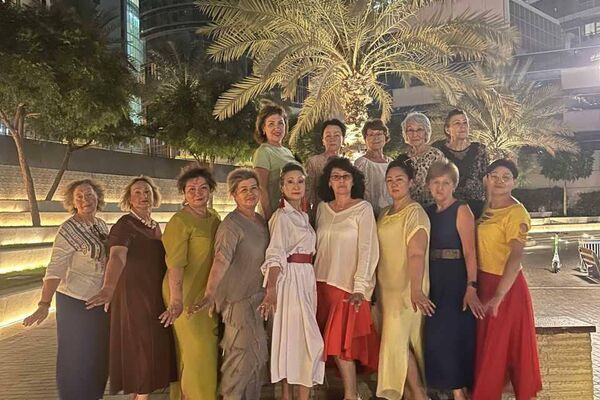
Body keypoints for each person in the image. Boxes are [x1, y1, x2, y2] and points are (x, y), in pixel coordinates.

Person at [86, 176, 176, 400]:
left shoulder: (155, 226)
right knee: (142, 348)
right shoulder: (125, 224)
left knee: (149, 348)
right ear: (129, 198)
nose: (143, 196)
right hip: (133, 295)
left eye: (147, 192)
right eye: (137, 192)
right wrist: (108, 287)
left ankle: (138, 395)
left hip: (154, 294)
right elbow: (117, 256)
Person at [23, 179, 109, 400]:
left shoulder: (101, 224)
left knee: (98, 353)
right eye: (79, 196)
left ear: (97, 197)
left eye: (89, 195)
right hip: (74, 301)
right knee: (76, 355)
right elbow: (55, 267)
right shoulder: (67, 230)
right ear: (72, 202)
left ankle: (94, 395)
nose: (85, 200)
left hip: (98, 300)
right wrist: (44, 304)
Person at [190, 168, 269, 400]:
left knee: (256, 360)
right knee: (239, 360)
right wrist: (210, 293)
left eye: (253, 188)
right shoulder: (231, 225)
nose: (250, 193)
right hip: (237, 302)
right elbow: (221, 259)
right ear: (233, 195)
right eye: (243, 190)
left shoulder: (260, 220)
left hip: (258, 299)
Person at [472, 159, 542, 400]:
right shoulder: (485, 207)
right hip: (483, 284)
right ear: (486, 179)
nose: (499, 181)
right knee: (487, 350)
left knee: (499, 349)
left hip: (505, 289)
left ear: (514, 182)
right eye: (494, 175)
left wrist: (499, 295)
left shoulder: (516, 212)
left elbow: (516, 256)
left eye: (506, 177)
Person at [314, 157, 380, 400]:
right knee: (323, 342)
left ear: (353, 181)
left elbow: (368, 249)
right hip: (321, 283)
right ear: (329, 182)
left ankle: (352, 395)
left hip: (347, 285)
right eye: (336, 177)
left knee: (343, 344)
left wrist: (360, 286)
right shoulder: (322, 209)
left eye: (345, 176)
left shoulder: (363, 208)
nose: (341, 181)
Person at [259, 163, 325, 400]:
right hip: (290, 281)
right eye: (290, 181)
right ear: (282, 187)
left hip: (306, 279)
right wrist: (271, 289)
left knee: (297, 342)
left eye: (300, 181)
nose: (296, 186)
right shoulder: (281, 217)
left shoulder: (304, 216)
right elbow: (275, 254)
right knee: (304, 342)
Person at [424, 160, 484, 400]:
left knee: (452, 336)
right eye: (436, 182)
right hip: (434, 278)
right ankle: (449, 389)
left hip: (455, 279)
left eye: (445, 183)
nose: (440, 188)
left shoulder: (461, 210)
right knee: (436, 336)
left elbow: (470, 252)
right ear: (428, 185)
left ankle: (460, 392)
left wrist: (471, 286)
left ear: (454, 185)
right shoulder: (427, 212)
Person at [159, 165, 221, 400]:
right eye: (191, 189)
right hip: (183, 293)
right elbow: (175, 264)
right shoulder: (180, 221)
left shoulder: (214, 217)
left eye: (203, 188)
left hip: (207, 292)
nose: (198, 193)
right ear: (183, 193)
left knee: (208, 350)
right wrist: (176, 302)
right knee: (196, 350)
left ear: (211, 190)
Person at [376, 156, 432, 400]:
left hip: (408, 287)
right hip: (386, 288)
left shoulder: (415, 213)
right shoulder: (385, 213)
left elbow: (417, 253)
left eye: (399, 179)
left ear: (410, 182)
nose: (394, 184)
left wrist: (416, 289)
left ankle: (419, 394)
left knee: (398, 342)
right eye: (389, 180)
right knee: (395, 342)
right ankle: (410, 393)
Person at [433, 109, 489, 218]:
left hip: (476, 207)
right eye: (457, 123)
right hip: (448, 208)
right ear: (447, 129)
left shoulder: (479, 149)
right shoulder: (438, 151)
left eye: (465, 123)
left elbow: (486, 180)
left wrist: (488, 206)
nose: (462, 126)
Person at [252, 103, 298, 221]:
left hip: (292, 214)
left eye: (280, 123)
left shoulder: (288, 152)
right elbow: (261, 188)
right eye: (271, 124)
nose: (277, 128)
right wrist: (270, 219)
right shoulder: (263, 152)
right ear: (263, 128)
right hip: (275, 215)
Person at [400, 112, 445, 206]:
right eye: (410, 130)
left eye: (419, 129)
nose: (415, 134)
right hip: (409, 208)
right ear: (405, 133)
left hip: (433, 207)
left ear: (426, 132)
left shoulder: (436, 155)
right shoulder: (402, 159)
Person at [354, 119, 393, 217]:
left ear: (385, 136)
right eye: (371, 134)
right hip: (368, 214)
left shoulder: (392, 163)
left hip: (391, 214)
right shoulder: (361, 163)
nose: (375, 138)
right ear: (365, 139)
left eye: (379, 134)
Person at [305, 119, 346, 212]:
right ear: (323, 141)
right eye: (328, 136)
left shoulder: (348, 164)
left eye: (336, 135)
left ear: (343, 139)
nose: (332, 139)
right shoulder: (314, 162)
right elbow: (307, 192)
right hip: (320, 212)